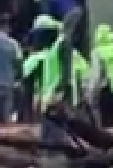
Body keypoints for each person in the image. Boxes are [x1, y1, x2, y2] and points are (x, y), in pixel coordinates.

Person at [27, 10, 87, 146]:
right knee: (49, 129)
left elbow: (66, 70)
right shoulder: (52, 47)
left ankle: (59, 154)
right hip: (50, 93)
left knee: (58, 129)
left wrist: (61, 91)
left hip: (58, 93)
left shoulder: (62, 44)